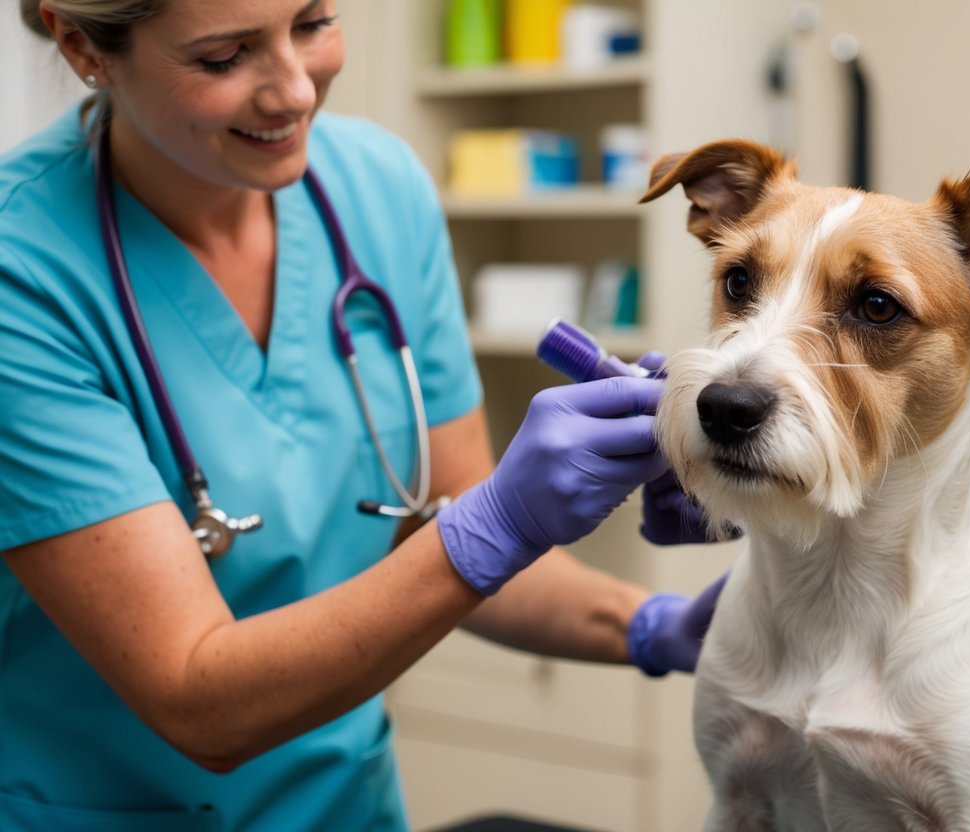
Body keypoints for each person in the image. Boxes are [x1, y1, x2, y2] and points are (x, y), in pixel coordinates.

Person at [0, 2, 725, 829]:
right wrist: (498, 522)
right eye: (226, 56)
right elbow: (198, 698)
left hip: (347, 808)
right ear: (81, 44)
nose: (295, 91)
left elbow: (433, 530)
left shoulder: (377, 188)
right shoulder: (21, 271)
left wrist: (655, 628)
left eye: (312, 22)